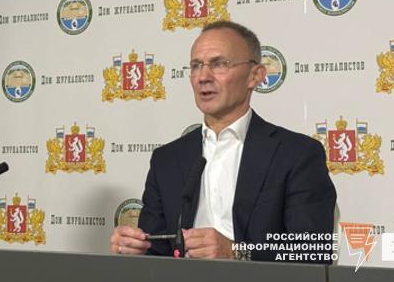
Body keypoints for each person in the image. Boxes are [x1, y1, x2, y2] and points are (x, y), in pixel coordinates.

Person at [110, 21, 336, 262]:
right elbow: (157, 251)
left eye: (219, 64)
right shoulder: (167, 160)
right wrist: (135, 249)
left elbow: (313, 251)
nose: (203, 77)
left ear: (255, 76)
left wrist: (236, 252)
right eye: (196, 66)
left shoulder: (296, 154)